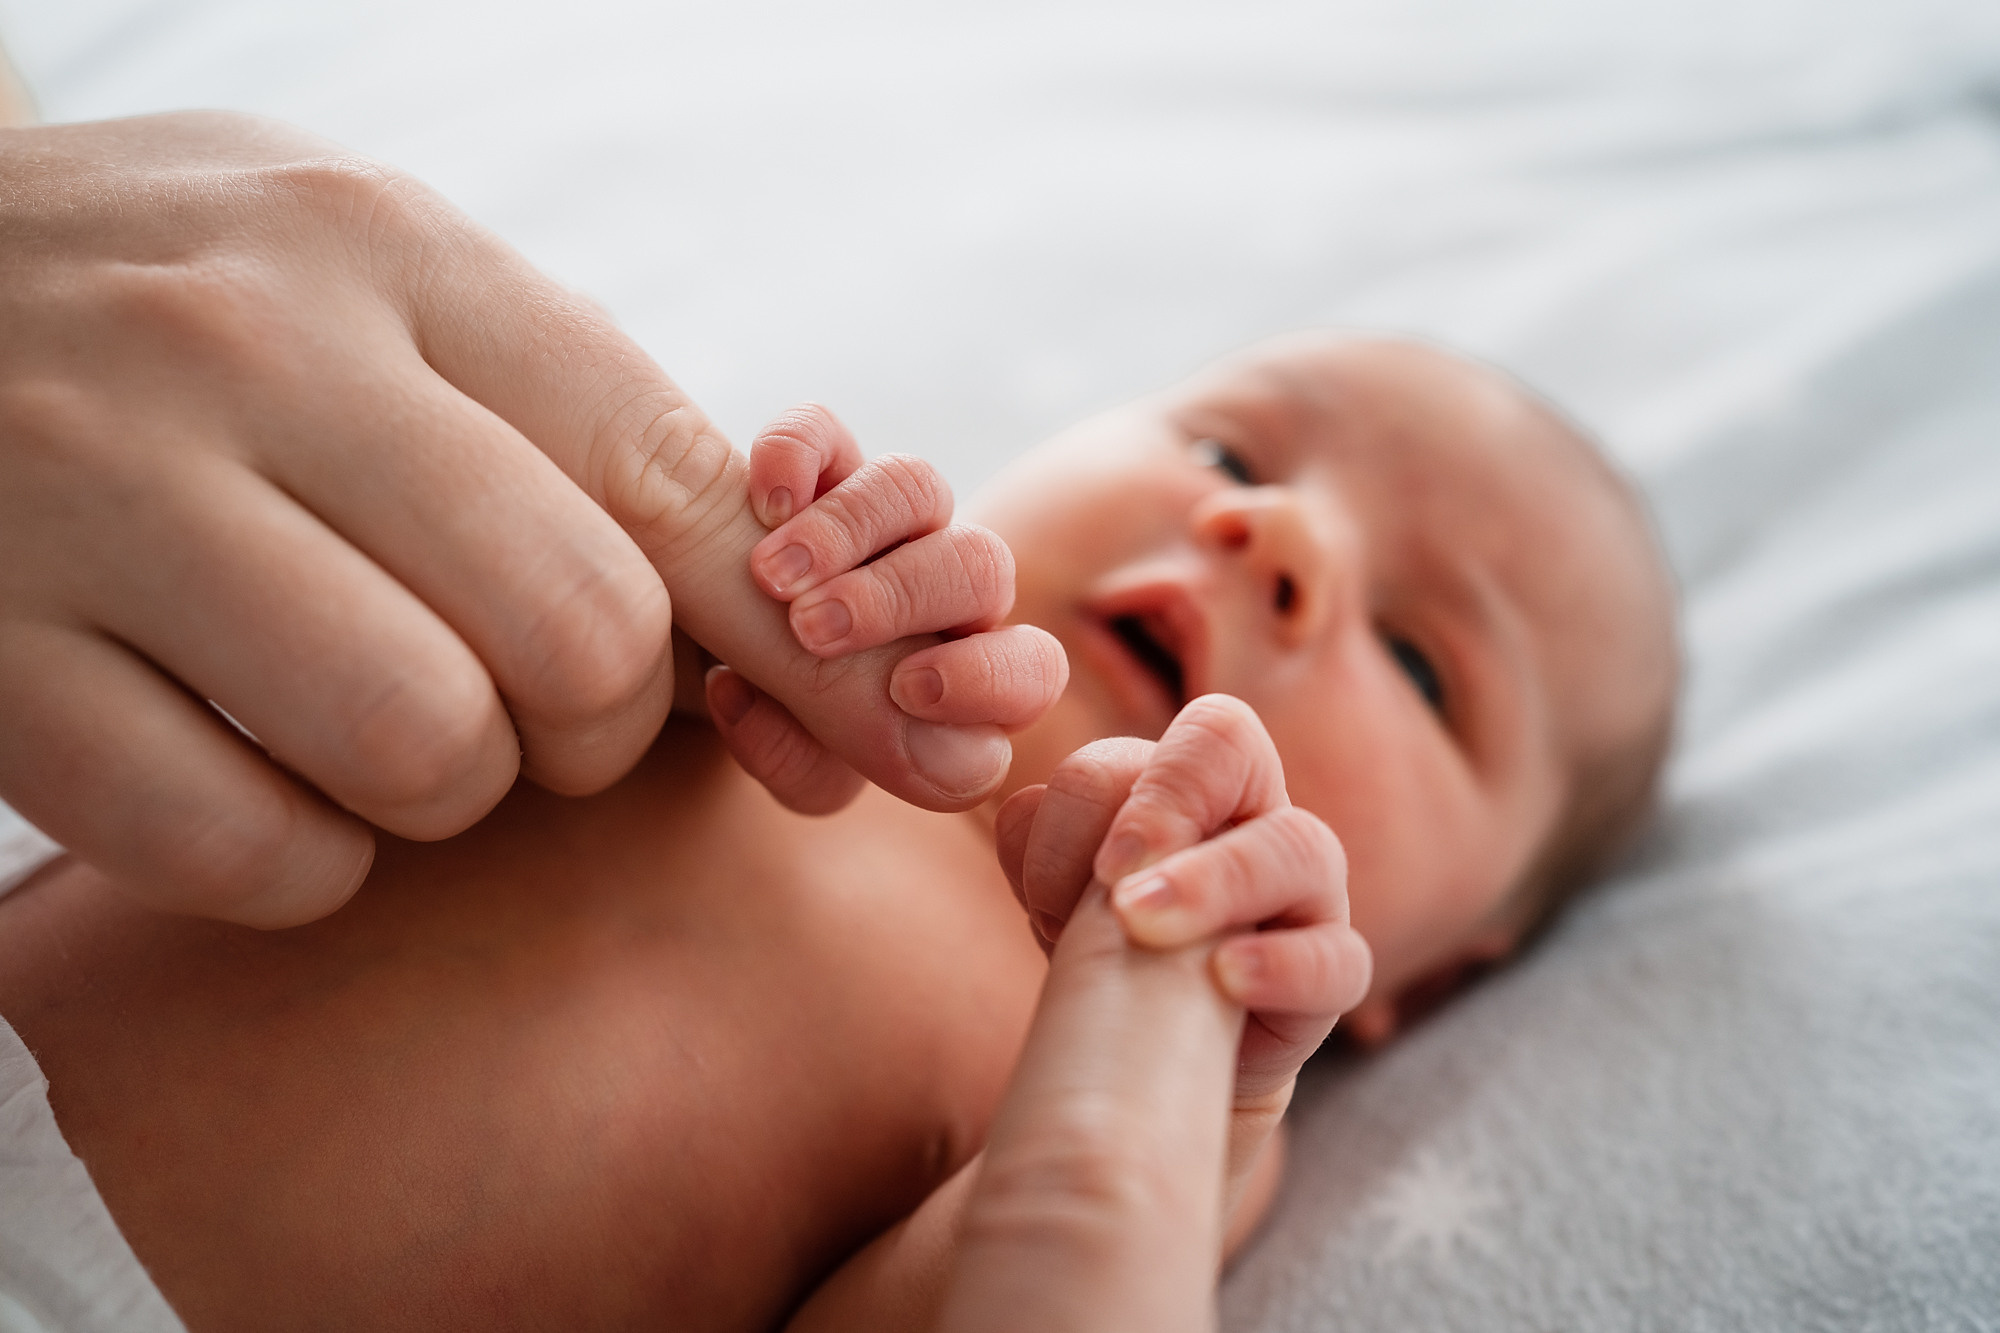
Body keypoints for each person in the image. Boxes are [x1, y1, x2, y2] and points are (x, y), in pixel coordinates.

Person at [0, 322, 1677, 1328]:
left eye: (1422, 662)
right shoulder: (793, 651)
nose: (1276, 533)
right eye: (1232, 445)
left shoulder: (1167, 1088)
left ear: (1427, 982)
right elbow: (368, 634)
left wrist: (1190, 1097)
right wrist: (746, 563)